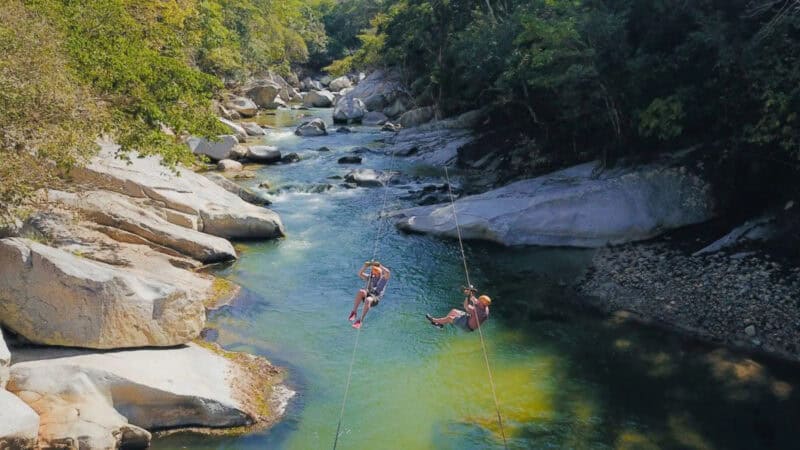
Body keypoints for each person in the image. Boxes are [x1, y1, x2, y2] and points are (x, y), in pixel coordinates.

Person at [426, 287, 491, 332]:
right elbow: (475, 301)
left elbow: (466, 306)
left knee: (450, 318)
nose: (478, 301)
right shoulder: (485, 307)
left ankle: (434, 320)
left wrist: (467, 296)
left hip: (467, 326)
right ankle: (441, 324)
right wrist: (470, 294)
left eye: (479, 301)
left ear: (482, 303)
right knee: (453, 311)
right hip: (469, 319)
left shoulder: (477, 311)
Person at [349, 260, 391, 329]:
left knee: (368, 300)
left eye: (376, 273)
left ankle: (360, 320)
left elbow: (388, 272)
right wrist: (365, 266)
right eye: (374, 272)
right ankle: (354, 312)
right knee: (361, 291)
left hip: (375, 298)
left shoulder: (384, 279)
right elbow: (360, 273)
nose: (374, 274)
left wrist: (379, 265)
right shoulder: (370, 277)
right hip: (368, 293)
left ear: (380, 273)